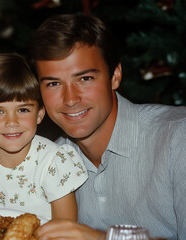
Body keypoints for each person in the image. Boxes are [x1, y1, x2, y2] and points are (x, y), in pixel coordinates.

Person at [27, 13, 186, 240]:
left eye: (85, 79)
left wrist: (103, 238)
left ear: (115, 76)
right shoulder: (45, 162)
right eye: (53, 83)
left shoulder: (178, 137)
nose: (70, 99)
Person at [0, 53, 88, 223]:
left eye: (23, 110)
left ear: (39, 114)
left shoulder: (53, 162)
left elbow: (66, 231)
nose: (11, 122)